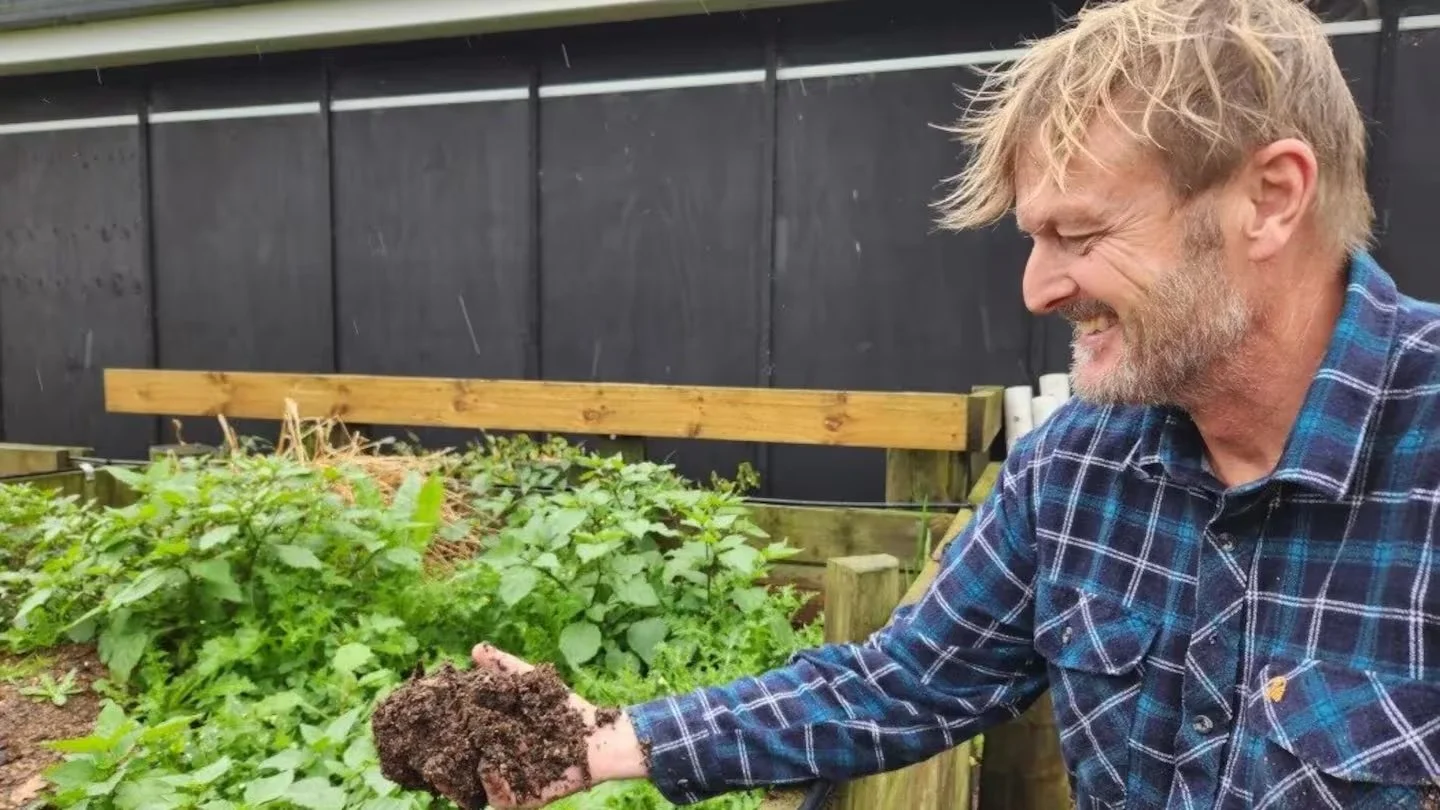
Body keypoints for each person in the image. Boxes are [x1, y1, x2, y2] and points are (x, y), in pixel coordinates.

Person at [464, 0, 1440, 806]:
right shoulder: (1075, 470)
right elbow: (904, 682)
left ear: (1269, 199)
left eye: (1081, 233)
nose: (1038, 288)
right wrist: (606, 738)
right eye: (1033, 237)